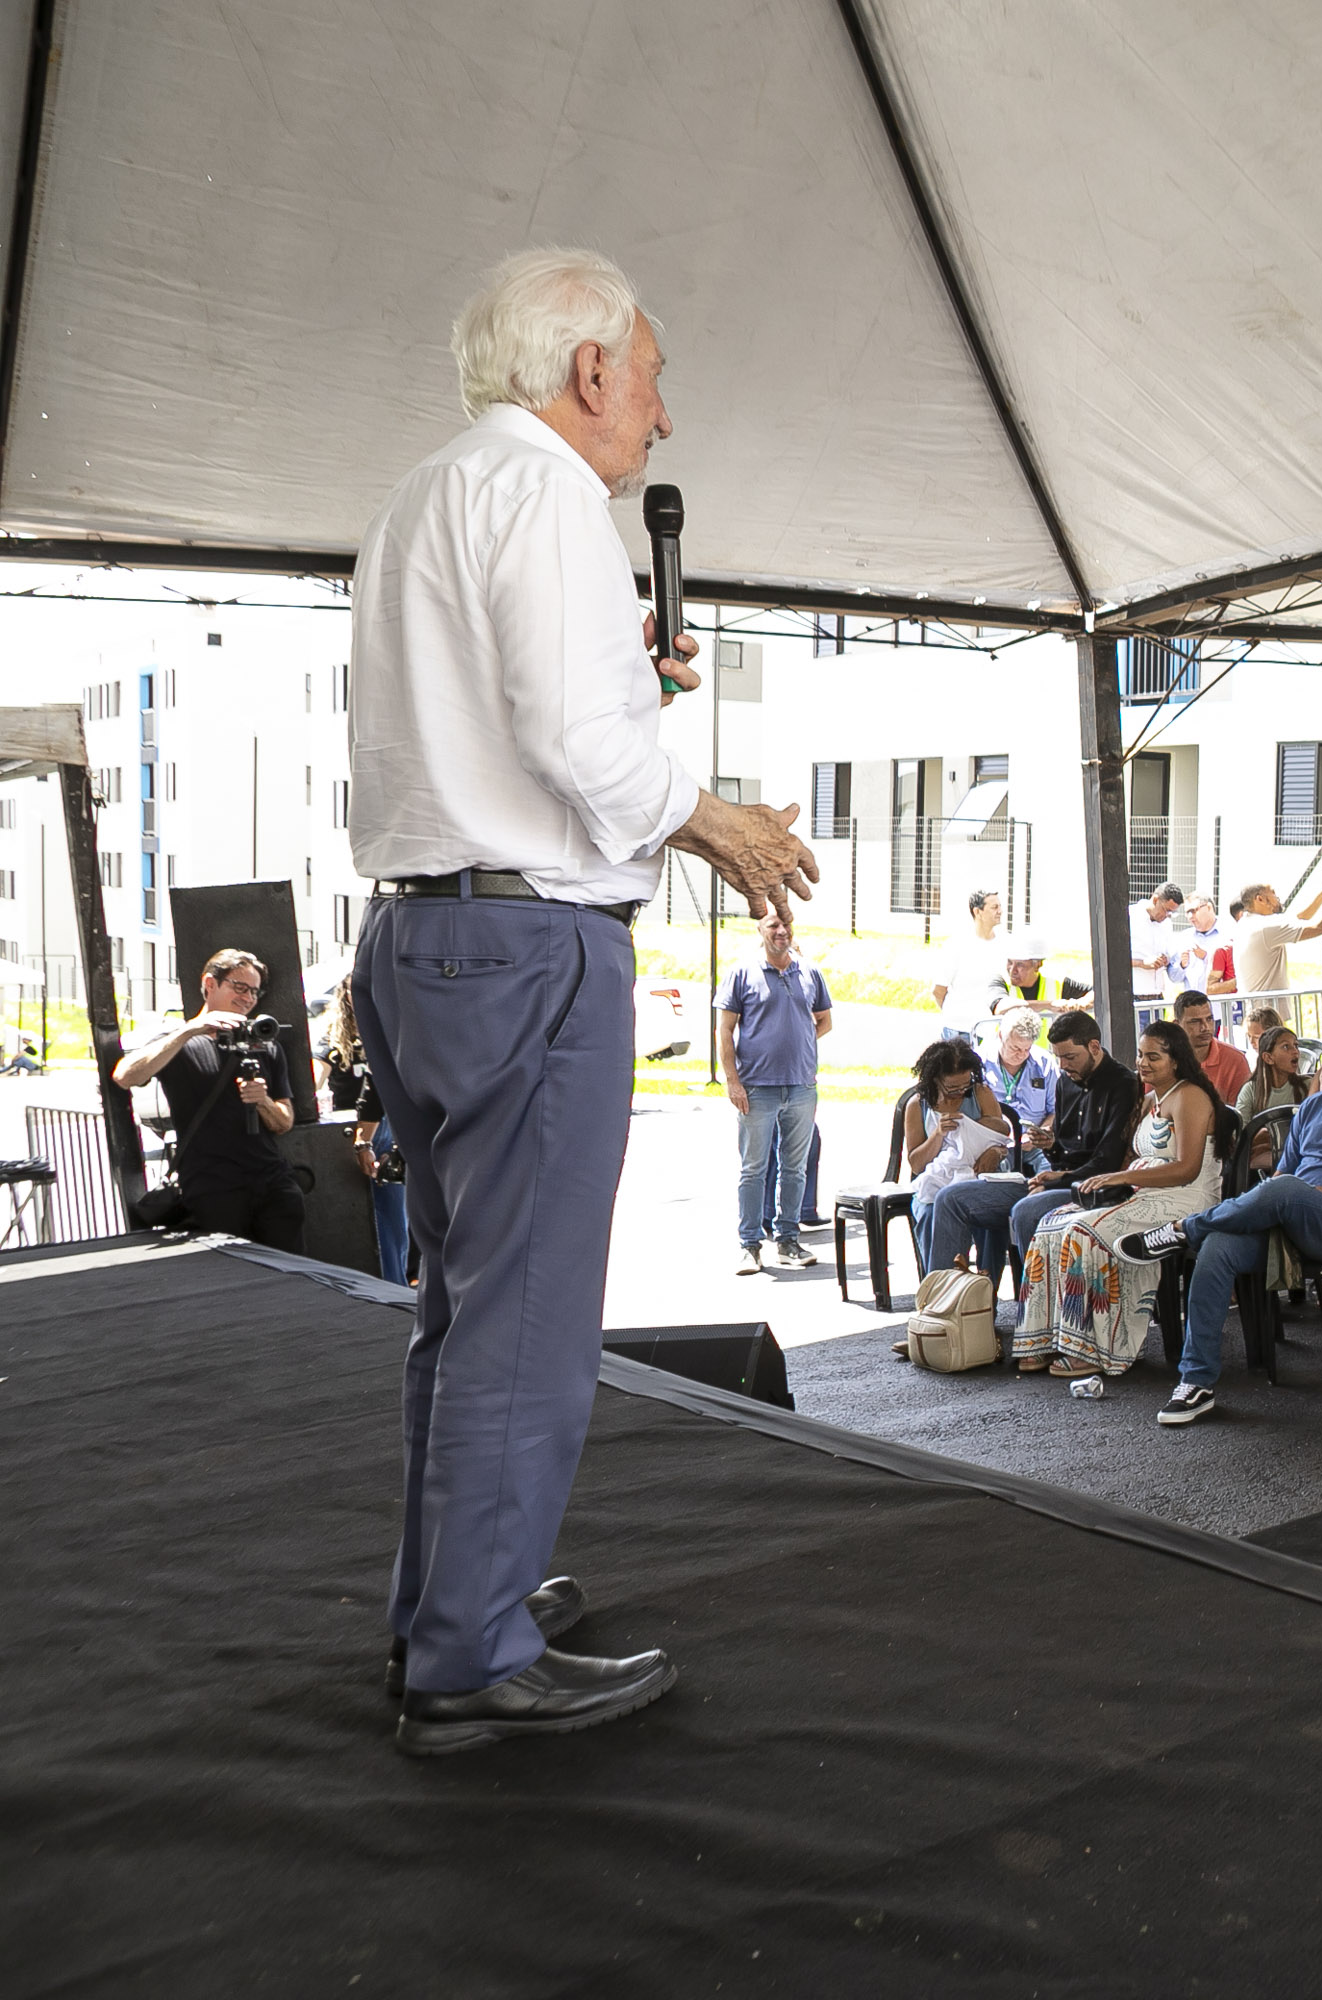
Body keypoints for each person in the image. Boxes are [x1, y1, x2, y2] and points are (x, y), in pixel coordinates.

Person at [349, 247, 817, 1749]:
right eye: (656, 377)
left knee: (461, 1303)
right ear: (595, 370)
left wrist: (634, 693)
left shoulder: (427, 489)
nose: (662, 420)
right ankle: (472, 1659)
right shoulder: (548, 492)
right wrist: (713, 815)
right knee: (531, 1316)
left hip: (419, 943)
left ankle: (453, 1603)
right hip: (530, 949)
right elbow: (567, 741)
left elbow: (513, 722)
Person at [1130, 1001, 1322, 1425]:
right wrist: (1295, 1196)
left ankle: (1182, 1229)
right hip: (1295, 1220)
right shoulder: (1314, 1108)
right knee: (1219, 1247)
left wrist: (1311, 1194)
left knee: (1284, 1190)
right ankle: (1196, 1382)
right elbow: (1283, 1180)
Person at [1010, 1022, 1228, 1378]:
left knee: (1085, 1231)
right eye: (1141, 1055)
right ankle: (1046, 1338)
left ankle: (1097, 1347)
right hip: (1147, 1194)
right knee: (1051, 1225)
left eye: (1154, 1056)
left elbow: (1187, 1169)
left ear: (1176, 1061)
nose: (1142, 1063)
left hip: (1186, 1199)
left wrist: (1122, 1176)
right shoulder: (1150, 1100)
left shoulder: (1190, 1096)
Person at [922, 1010, 1142, 1276]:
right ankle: (945, 1300)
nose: (1062, 1065)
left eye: (1070, 1057)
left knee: (1027, 1211)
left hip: (1096, 1188)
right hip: (1056, 1180)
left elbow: (1107, 1161)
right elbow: (1064, 1152)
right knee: (950, 1198)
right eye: (1058, 1057)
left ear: (1094, 1047)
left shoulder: (1122, 1084)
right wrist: (1051, 1146)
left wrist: (1054, 1179)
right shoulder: (1065, 1081)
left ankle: (1036, 1310)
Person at [115, 948, 304, 1250]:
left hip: (271, 1184)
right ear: (210, 984)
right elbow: (125, 1076)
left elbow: (285, 1121)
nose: (248, 998)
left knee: (293, 1274)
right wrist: (189, 1031)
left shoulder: (266, 1045)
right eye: (240, 987)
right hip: (213, 1189)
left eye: (254, 992)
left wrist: (264, 1102)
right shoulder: (179, 1041)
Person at [718, 909, 832, 1275]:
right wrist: (733, 1081)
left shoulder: (809, 972)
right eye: (773, 925)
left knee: (795, 1168)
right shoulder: (742, 972)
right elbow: (724, 1031)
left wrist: (800, 1045)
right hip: (756, 1089)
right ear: (761, 930)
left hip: (801, 1087)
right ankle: (749, 1245)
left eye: (786, 925)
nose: (781, 931)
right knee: (754, 1169)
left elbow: (824, 1019)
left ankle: (787, 1240)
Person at [901, 1036, 1010, 1277]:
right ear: (935, 1080)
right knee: (931, 1213)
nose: (959, 1092)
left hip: (979, 1176)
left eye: (964, 1085)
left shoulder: (980, 1093)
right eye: (952, 1088)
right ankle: (941, 1285)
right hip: (937, 1181)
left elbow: (1000, 1136)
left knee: (990, 1220)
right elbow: (917, 1164)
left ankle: (985, 1289)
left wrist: (994, 1151)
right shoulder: (917, 1105)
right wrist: (938, 1134)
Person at [327, 976, 409, 1284]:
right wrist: (364, 1142)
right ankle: (396, 1288)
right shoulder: (342, 1036)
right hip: (373, 1124)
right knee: (390, 1217)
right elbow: (374, 1090)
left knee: (400, 1220)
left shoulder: (400, 1021)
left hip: (404, 1124)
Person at [978, 1006, 1060, 1173]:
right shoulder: (979, 1063)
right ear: (1001, 1036)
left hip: (1034, 1144)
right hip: (994, 1141)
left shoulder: (1044, 1063)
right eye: (1015, 1048)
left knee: (1053, 1171)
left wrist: (1041, 1133)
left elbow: (1057, 1110)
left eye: (1027, 1049)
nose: (1021, 1055)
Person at [1232, 875, 1322, 994]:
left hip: (1258, 1009)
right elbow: (1321, 926)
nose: (1278, 898)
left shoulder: (1246, 924)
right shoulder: (1265, 927)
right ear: (1260, 899)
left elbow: (1301, 917)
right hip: (1271, 1010)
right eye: (1273, 893)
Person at [931, 889, 1017, 1040]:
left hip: (993, 1029)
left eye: (1000, 906)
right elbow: (939, 990)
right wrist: (957, 1015)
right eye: (994, 907)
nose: (1000, 911)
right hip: (959, 1031)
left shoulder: (1006, 942)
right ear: (977, 912)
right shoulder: (956, 944)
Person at [1170, 989, 1249, 1103]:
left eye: (1209, 1019)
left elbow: (1240, 1114)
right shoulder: (1163, 1059)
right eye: (1195, 1021)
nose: (1205, 1027)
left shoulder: (1235, 1060)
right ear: (1177, 1025)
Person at [1128, 882, 1185, 1002]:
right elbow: (1112, 957)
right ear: (1155, 900)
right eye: (1166, 910)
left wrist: (1165, 959)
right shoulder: (1129, 917)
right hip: (1134, 996)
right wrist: (1142, 963)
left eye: (1172, 913)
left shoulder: (1167, 924)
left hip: (1158, 996)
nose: (1167, 916)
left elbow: (1169, 952)